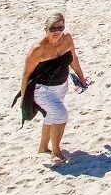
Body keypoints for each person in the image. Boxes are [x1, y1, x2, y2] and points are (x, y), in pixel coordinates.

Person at [17, 14, 88, 163]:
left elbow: (73, 58)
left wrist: (81, 76)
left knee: (52, 116)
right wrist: (24, 99)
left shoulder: (67, 39)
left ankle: (43, 147)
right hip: (41, 90)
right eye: (53, 28)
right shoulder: (37, 49)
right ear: (46, 29)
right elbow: (26, 75)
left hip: (61, 87)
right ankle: (55, 152)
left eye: (60, 27)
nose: (57, 31)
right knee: (61, 115)